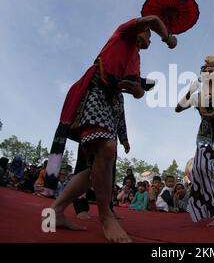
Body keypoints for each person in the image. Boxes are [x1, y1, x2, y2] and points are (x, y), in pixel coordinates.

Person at [44, 14, 177, 243]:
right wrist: (168, 37)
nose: (150, 40)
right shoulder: (123, 32)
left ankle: (55, 212)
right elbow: (155, 19)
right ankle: (105, 217)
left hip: (112, 101)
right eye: (149, 34)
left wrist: (132, 87)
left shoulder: (135, 57)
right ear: (142, 29)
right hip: (95, 91)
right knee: (106, 148)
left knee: (95, 165)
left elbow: (138, 92)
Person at [175, 58, 214, 227]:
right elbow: (178, 108)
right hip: (205, 136)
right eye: (206, 71)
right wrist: (189, 90)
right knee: (199, 168)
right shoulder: (197, 96)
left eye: (213, 71)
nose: (209, 73)